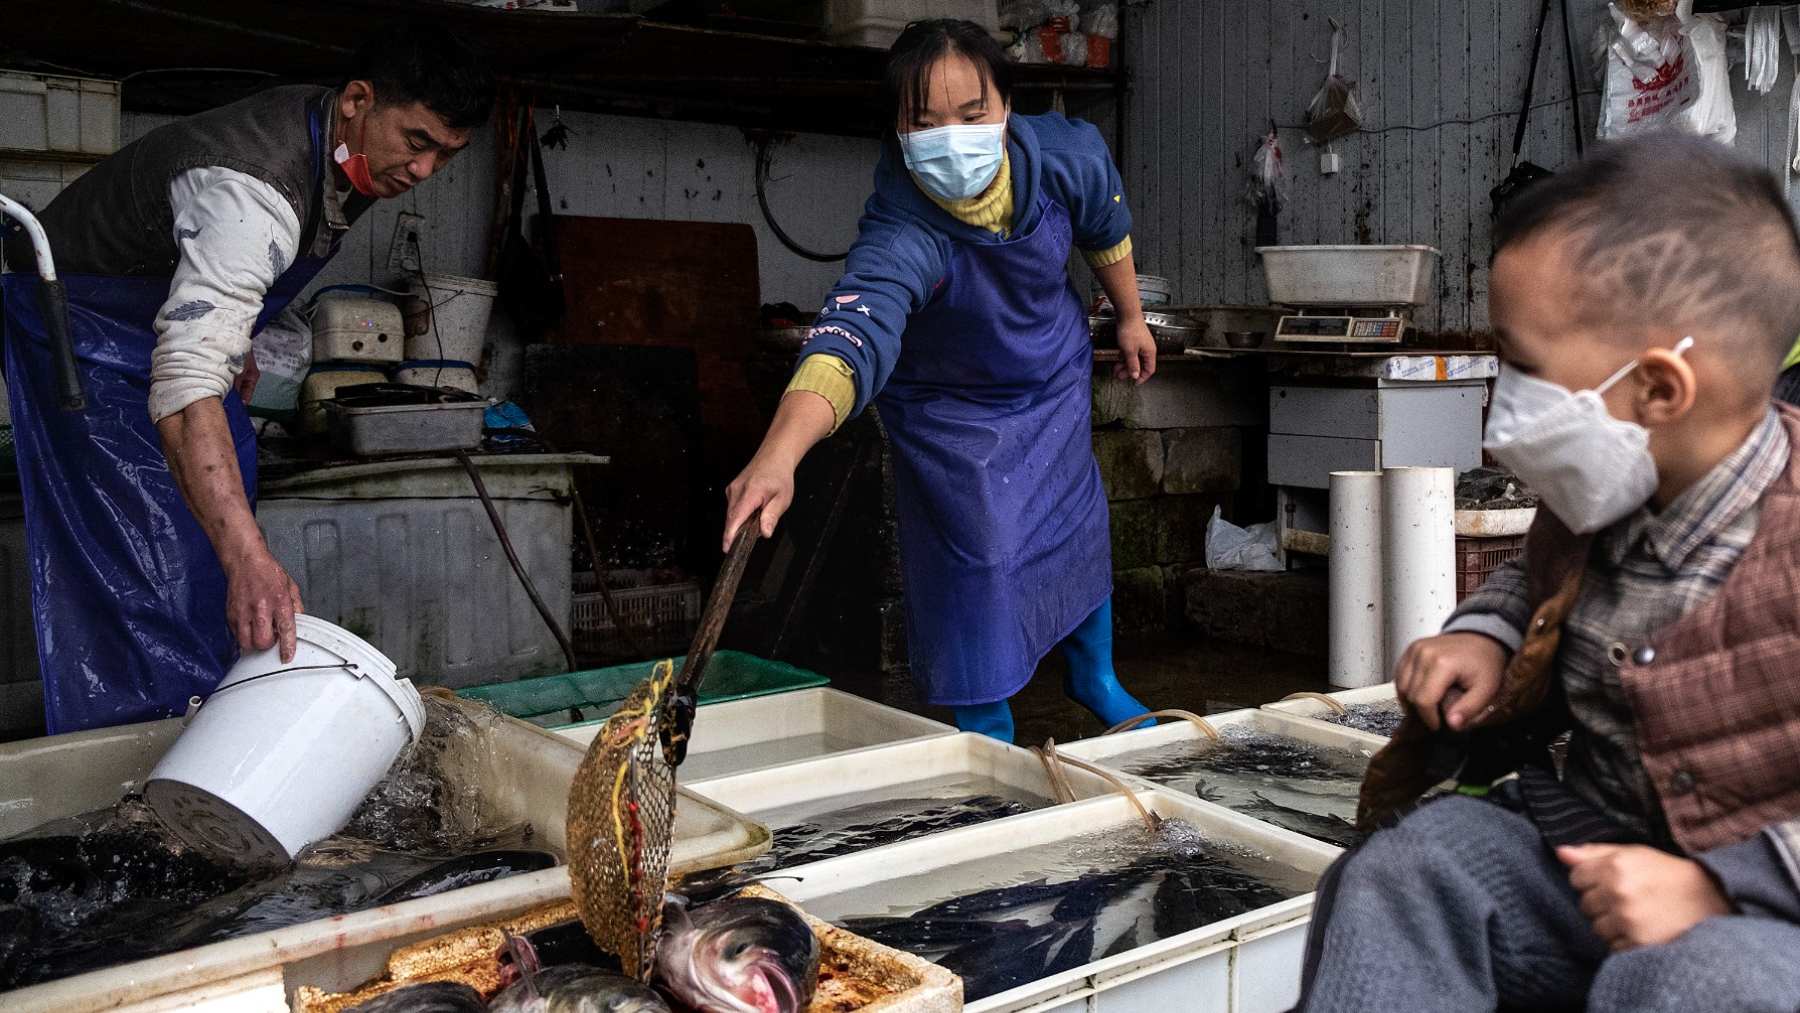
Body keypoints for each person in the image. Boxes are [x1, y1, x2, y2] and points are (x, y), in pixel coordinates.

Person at [1294, 134, 1800, 1012]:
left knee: (1688, 980)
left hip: (1770, 923)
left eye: (1524, 368)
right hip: (1597, 864)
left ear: (1659, 388)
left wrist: (1725, 889)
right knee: (1414, 869)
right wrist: (1483, 637)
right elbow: (1536, 580)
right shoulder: (1606, 489)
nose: (1503, 408)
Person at [0, 23, 493, 734]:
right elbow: (188, 377)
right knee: (146, 564)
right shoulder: (251, 187)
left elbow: (227, 293)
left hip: (157, 328)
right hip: (82, 333)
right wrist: (250, 559)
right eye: (416, 142)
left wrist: (237, 334)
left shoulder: (341, 145)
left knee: (215, 546)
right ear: (358, 100)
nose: (425, 172)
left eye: (447, 155)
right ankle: (133, 759)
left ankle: (210, 719)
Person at [721, 20, 1156, 743]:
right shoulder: (901, 229)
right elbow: (848, 339)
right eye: (926, 121)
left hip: (1048, 378)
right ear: (899, 127)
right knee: (979, 556)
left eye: (971, 113)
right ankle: (985, 723)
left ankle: (1096, 678)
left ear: (1006, 107)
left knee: (1078, 521)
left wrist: (1133, 315)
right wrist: (778, 453)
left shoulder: (1063, 156)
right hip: (951, 412)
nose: (952, 135)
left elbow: (1105, 224)